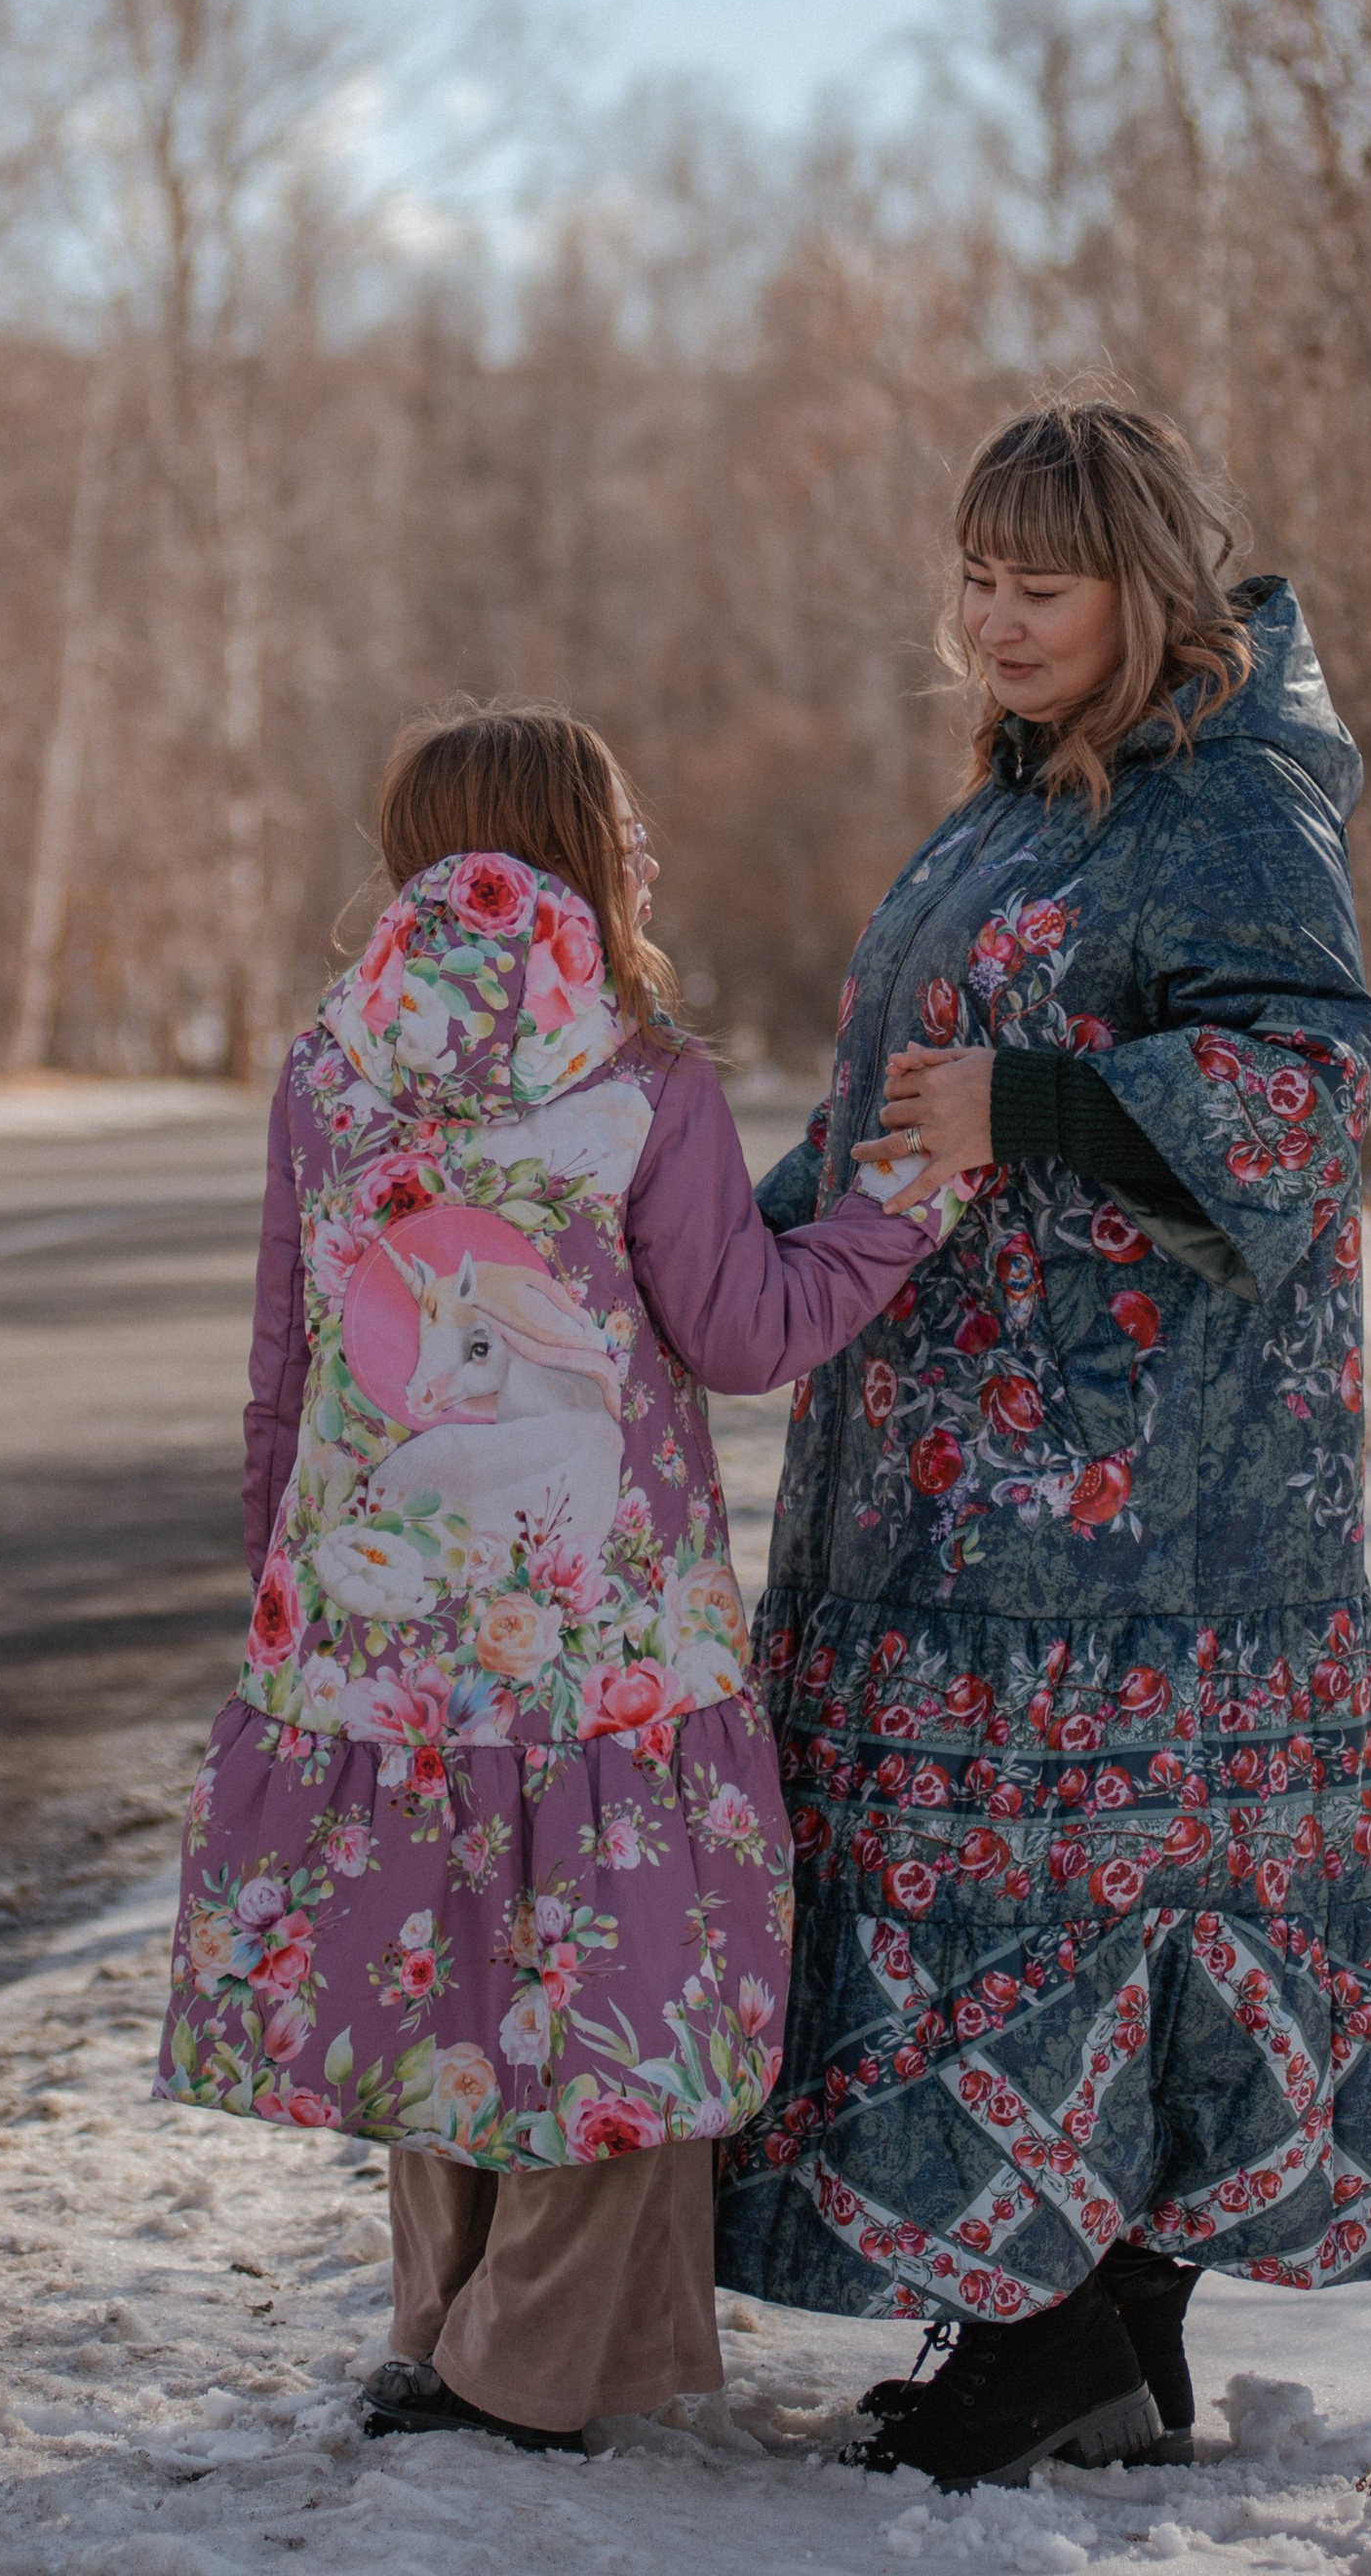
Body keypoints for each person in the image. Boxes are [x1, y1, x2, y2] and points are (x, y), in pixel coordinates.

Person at [714, 393, 1371, 2493]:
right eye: (973, 574)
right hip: (958, 1460)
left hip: (1141, 1505)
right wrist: (720, 1244)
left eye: (1040, 581)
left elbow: (1301, 1088)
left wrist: (1036, 1110)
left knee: (1076, 1890)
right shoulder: (1021, 800)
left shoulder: (1228, 805)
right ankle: (1089, 2348)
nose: (994, 614)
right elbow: (897, 1096)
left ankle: (1049, 2332)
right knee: (1038, 1895)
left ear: (1148, 587)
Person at [154, 705, 972, 2452]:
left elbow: (284, 1366)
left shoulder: (328, 1070)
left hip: (372, 1628)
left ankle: (437, 2333)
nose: (649, 851)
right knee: (617, 1979)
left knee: (431, 1968)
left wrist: (286, 1599)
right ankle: (526, 2367)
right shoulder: (639, 1084)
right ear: (569, 854)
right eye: (625, 821)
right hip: (604, 1642)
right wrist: (910, 1191)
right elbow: (749, 1332)